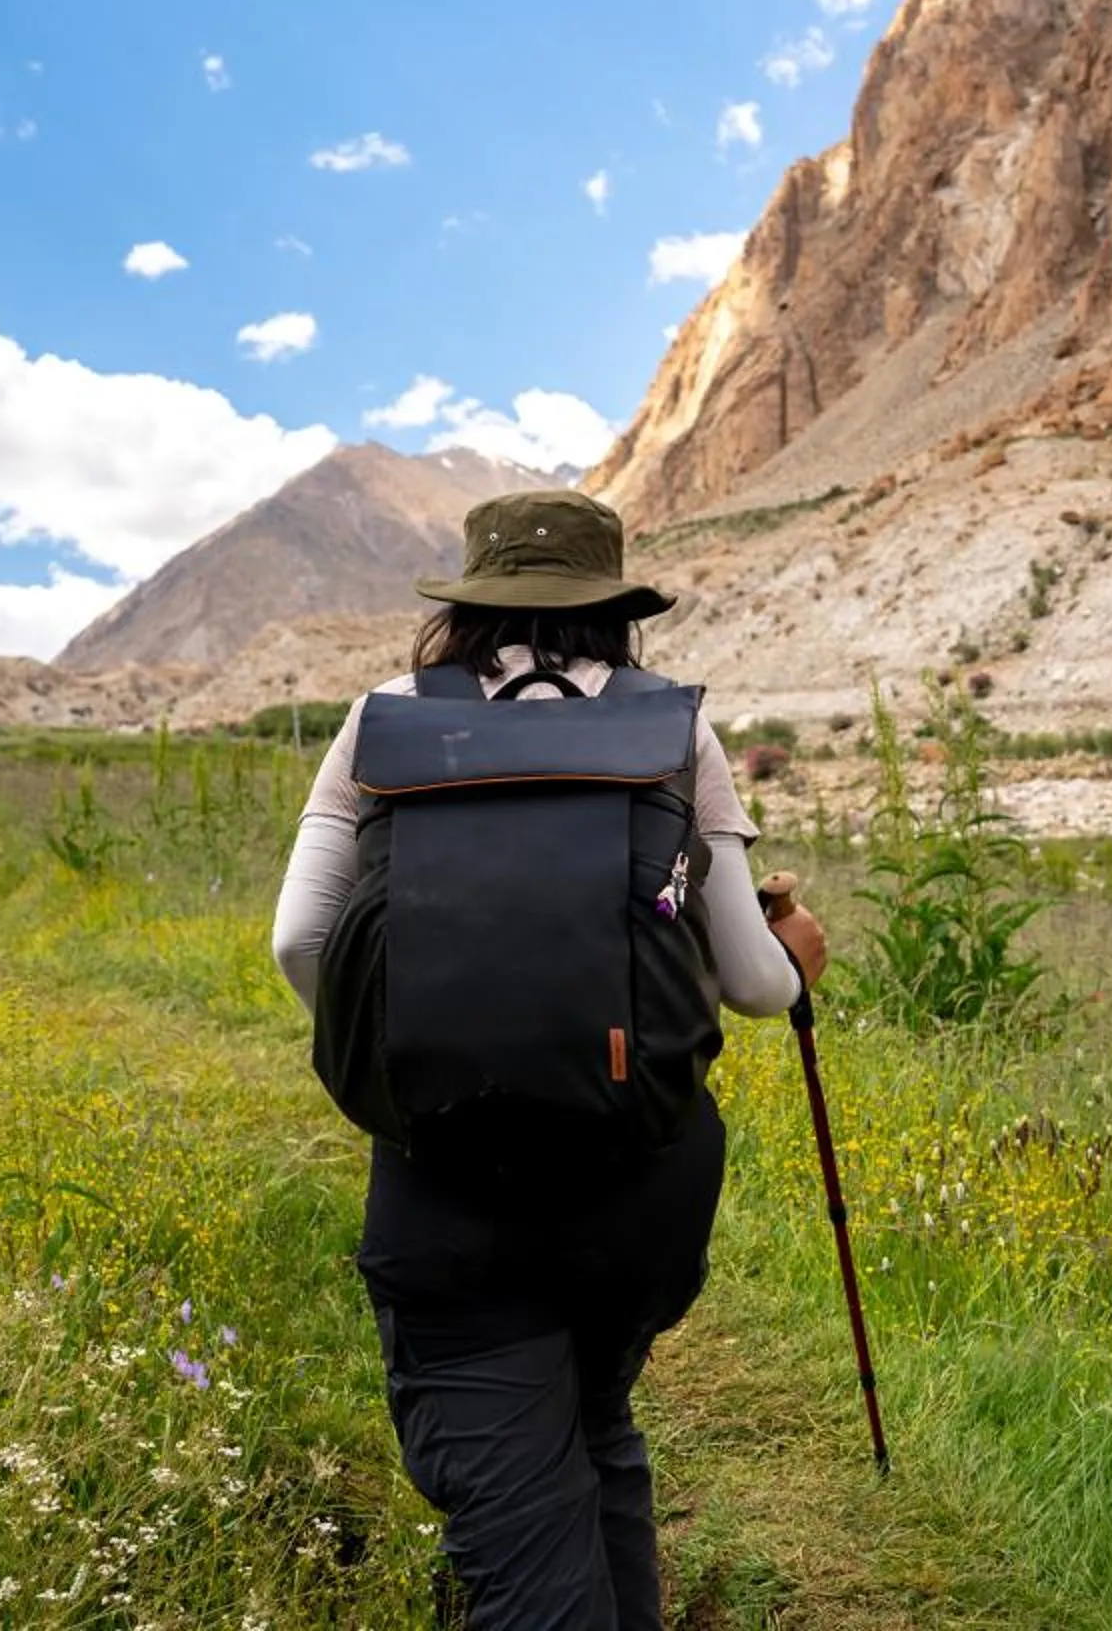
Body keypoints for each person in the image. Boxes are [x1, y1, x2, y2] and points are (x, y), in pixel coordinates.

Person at [271, 487, 828, 1629]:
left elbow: (298, 938)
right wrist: (800, 954)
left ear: (466, 602)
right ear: (615, 606)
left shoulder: (383, 718)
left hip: (449, 1190)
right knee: (594, 1421)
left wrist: (395, 1056)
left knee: (520, 1533)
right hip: (640, 1193)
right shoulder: (673, 726)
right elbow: (755, 981)